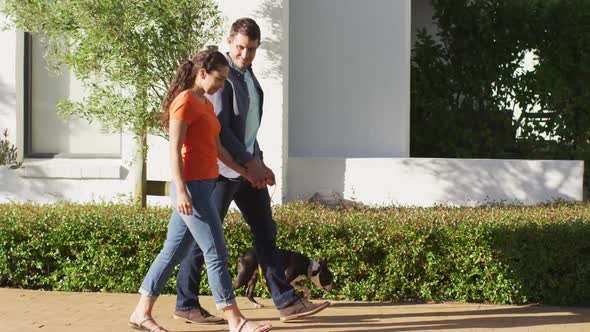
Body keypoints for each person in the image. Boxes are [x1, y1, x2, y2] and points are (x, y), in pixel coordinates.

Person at [174, 18, 331, 325]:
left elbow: (248, 128)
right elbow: (222, 132)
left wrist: (259, 160)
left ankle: (286, 301)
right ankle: (186, 302)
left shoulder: (248, 76)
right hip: (220, 171)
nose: (245, 54)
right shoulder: (221, 78)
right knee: (203, 239)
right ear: (229, 41)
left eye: (252, 49)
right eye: (241, 47)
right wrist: (250, 163)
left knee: (265, 233)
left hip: (247, 170)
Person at [128, 49, 272, 332]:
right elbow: (173, 151)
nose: (221, 85)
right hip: (192, 190)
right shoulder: (183, 103)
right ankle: (236, 320)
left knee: (172, 252)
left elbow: (217, 148)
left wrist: (246, 172)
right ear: (203, 73)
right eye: (219, 79)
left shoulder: (204, 103)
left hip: (205, 184)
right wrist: (181, 191)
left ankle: (140, 312)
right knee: (216, 251)